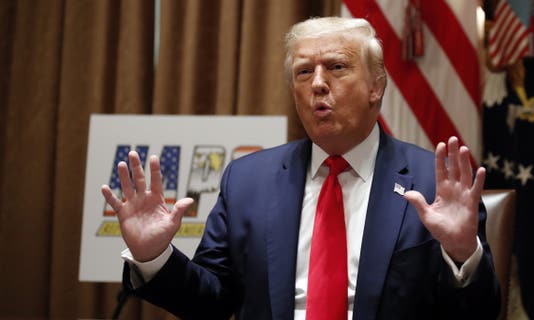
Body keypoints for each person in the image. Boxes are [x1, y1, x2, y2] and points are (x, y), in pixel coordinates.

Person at [101, 16, 500, 320]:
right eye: (304, 72)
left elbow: (479, 313)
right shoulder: (247, 181)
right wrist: (154, 256)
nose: (318, 84)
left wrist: (463, 254)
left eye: (337, 67)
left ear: (376, 85)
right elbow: (211, 303)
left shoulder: (434, 182)